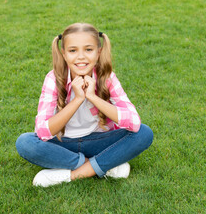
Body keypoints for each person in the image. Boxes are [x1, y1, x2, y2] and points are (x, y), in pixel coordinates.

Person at [15, 23, 153, 187]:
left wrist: (92, 97)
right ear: (64, 54)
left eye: (88, 50)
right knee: (25, 143)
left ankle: (73, 175)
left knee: (144, 133)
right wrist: (78, 99)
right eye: (73, 51)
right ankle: (103, 165)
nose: (81, 57)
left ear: (98, 52)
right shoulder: (53, 79)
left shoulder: (106, 77)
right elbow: (43, 132)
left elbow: (135, 123)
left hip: (99, 141)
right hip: (65, 145)